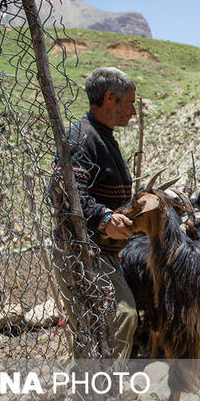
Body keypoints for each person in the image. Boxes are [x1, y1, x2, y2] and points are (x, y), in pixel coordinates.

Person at [54, 67, 138, 364]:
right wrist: (103, 219)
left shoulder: (103, 137)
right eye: (130, 103)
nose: (134, 111)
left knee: (95, 332)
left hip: (102, 253)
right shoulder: (82, 137)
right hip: (83, 252)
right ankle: (106, 389)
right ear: (110, 98)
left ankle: (93, 390)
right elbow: (66, 191)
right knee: (120, 318)